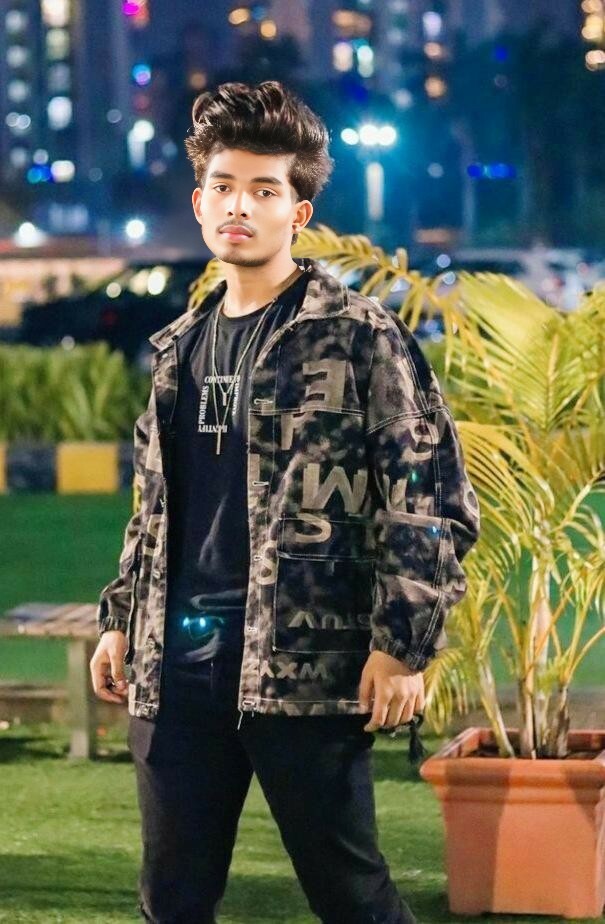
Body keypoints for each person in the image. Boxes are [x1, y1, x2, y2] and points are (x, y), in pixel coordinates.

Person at [89, 80, 481, 924]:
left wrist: (401, 644)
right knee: (172, 898)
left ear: (297, 213)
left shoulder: (357, 335)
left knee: (350, 895)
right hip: (178, 666)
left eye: (265, 190)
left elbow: (426, 493)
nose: (241, 205)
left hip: (305, 667)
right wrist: (121, 617)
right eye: (224, 186)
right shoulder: (178, 349)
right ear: (200, 203)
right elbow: (153, 506)